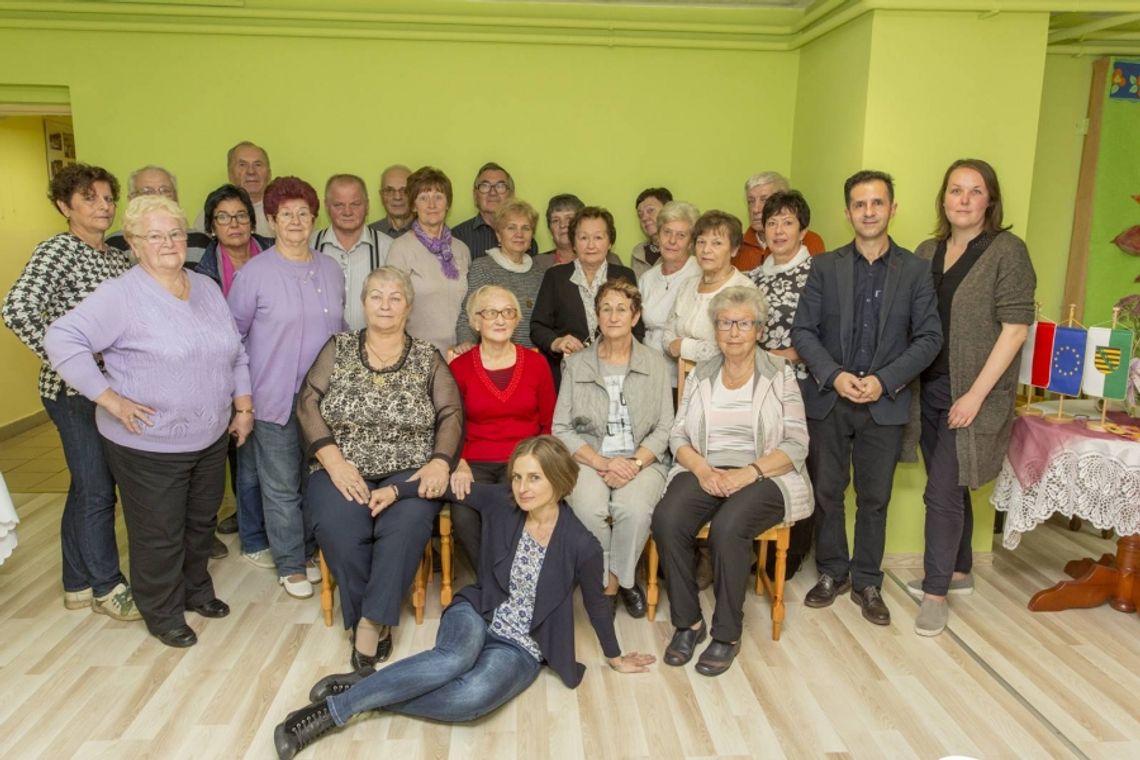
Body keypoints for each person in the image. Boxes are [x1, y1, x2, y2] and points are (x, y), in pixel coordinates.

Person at [272, 436, 655, 760]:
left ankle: (364, 688)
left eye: (534, 478)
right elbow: (439, 487)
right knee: (453, 659)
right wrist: (394, 490)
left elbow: (595, 606)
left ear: (559, 481)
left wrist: (615, 656)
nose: (522, 487)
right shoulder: (503, 502)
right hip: (479, 610)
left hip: (522, 645)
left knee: (471, 700)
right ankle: (329, 714)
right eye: (518, 476)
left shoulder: (582, 545)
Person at [44, 195, 253, 648]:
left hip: (210, 435)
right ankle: (161, 611)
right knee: (158, 532)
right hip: (149, 442)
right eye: (154, 235)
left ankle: (196, 589)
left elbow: (234, 351)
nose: (168, 243)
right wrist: (111, 399)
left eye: (175, 233)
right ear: (134, 244)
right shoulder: (122, 295)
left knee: (200, 522)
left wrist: (243, 405)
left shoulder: (205, 287)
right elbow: (62, 338)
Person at [791, 170, 942, 627]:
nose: (869, 211)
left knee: (875, 498)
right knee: (828, 492)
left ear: (892, 208)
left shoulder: (915, 271)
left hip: (885, 402)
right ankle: (832, 572)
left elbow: (929, 337)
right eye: (860, 204)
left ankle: (867, 580)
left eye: (878, 203)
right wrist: (834, 376)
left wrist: (885, 380)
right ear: (848, 212)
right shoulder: (824, 266)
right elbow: (803, 331)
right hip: (830, 399)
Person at [298, 266, 463, 670]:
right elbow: (307, 403)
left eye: (395, 297)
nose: (385, 305)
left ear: (408, 306)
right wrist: (333, 461)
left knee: (403, 528)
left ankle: (371, 623)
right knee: (340, 526)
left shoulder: (427, 356)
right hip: (341, 466)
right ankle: (373, 615)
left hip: (408, 469)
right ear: (363, 303)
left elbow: (451, 413)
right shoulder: (337, 347)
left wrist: (440, 462)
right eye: (376, 296)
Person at [652, 286, 813, 676]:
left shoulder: (780, 373)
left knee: (729, 528)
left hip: (765, 473)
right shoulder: (701, 373)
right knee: (667, 520)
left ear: (758, 329)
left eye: (743, 323)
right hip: (706, 466)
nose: (734, 332)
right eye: (725, 323)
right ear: (716, 329)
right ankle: (688, 622)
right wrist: (704, 470)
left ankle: (727, 632)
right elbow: (678, 436)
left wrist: (749, 473)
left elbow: (796, 443)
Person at [2, 163, 139, 620]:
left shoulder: (117, 256)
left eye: (107, 198)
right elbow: (16, 308)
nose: (103, 206)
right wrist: (71, 360)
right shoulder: (59, 250)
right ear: (65, 206)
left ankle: (76, 581)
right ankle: (107, 586)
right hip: (73, 394)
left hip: (112, 391)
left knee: (86, 487)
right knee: (98, 490)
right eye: (89, 198)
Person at [908, 159, 1035, 636]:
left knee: (940, 491)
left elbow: (1016, 329)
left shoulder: (1007, 251)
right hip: (928, 390)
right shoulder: (926, 250)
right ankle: (959, 571)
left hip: (975, 392)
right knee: (951, 484)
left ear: (990, 200)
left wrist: (976, 396)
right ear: (944, 198)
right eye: (955, 190)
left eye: (974, 191)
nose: (963, 199)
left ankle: (935, 593)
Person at [227, 176, 346, 599]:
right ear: (272, 220)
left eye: (303, 213)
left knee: (315, 482)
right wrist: (242, 399)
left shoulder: (330, 268)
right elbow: (233, 340)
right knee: (280, 486)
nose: (295, 220)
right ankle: (291, 563)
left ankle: (311, 552)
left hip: (325, 403)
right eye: (285, 214)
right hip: (273, 398)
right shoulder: (254, 274)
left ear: (314, 218)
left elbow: (341, 334)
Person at [553, 280, 673, 617]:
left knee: (632, 511)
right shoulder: (577, 364)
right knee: (589, 510)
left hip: (642, 460)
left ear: (635, 317)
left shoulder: (655, 364)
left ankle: (620, 581)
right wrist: (601, 462)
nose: (613, 315)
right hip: (590, 459)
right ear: (597, 315)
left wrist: (633, 463)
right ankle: (610, 582)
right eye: (606, 308)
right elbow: (560, 428)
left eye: (622, 309)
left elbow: (666, 427)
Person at [448, 285, 556, 569]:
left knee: (515, 506)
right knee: (463, 513)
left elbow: (549, 422)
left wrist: (540, 465)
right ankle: (493, 580)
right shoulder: (459, 368)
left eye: (508, 312)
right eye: (491, 312)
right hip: (474, 462)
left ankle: (512, 577)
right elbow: (449, 424)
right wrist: (458, 462)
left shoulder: (536, 363)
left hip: (524, 460)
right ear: (475, 321)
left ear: (517, 319)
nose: (500, 320)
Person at [196, 183, 274, 562]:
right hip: (225, 372)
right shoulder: (203, 270)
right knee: (240, 455)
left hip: (273, 366)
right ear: (212, 226)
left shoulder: (274, 253)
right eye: (223, 218)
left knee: (272, 455)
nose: (234, 224)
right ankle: (252, 532)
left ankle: (266, 524)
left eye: (241, 215)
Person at [748, 189, 817, 579]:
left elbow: (826, 337)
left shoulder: (819, 274)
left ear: (802, 230)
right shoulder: (752, 275)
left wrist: (780, 358)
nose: (778, 229)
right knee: (761, 463)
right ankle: (757, 551)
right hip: (757, 387)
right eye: (771, 222)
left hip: (802, 384)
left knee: (796, 465)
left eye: (787, 222)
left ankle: (788, 559)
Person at [530, 206, 642, 388]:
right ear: (573, 243)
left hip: (617, 375)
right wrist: (557, 342)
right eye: (583, 238)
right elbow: (537, 327)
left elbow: (637, 329)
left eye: (598, 237)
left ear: (610, 242)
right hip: (568, 375)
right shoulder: (555, 277)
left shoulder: (624, 276)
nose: (591, 245)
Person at [386, 166, 471, 354]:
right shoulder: (401, 248)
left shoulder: (461, 249)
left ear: (448, 203)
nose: (431, 205)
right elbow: (391, 308)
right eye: (423, 198)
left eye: (438, 197)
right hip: (418, 356)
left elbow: (470, 307)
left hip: (460, 356)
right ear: (414, 205)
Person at [663, 210, 755, 366]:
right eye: (701, 242)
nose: (706, 250)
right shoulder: (687, 285)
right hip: (685, 381)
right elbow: (667, 334)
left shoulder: (743, 290)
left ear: (734, 250)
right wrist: (675, 346)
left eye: (717, 243)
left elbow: (733, 348)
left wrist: (684, 346)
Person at [453, 199, 545, 352]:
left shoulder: (540, 273)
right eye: (511, 228)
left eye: (526, 228)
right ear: (498, 235)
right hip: (493, 358)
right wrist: (466, 343)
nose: (519, 234)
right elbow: (468, 316)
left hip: (531, 361)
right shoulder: (483, 267)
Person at [311, 174, 392, 330]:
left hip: (373, 350)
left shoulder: (388, 248)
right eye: (338, 205)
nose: (347, 212)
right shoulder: (310, 246)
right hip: (320, 350)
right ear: (326, 206)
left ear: (367, 206)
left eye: (355, 204)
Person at [637, 200, 700, 386]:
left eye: (681, 235)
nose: (672, 241)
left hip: (686, 376)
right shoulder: (647, 279)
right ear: (658, 235)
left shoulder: (699, 273)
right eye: (667, 233)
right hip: (649, 374)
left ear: (691, 241)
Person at [105, 165, 210, 266]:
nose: (157, 197)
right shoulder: (113, 244)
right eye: (147, 192)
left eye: (165, 190)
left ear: (176, 197)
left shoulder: (200, 241)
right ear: (131, 199)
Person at [736, 172, 826, 272]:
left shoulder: (811, 241)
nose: (755, 209)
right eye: (751, 201)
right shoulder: (736, 245)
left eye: (764, 200)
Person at [452, 162, 538, 259]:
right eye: (485, 186)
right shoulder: (458, 236)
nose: (493, 192)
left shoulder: (524, 240)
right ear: (475, 195)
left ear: (511, 194)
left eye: (500, 186)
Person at [193, 141, 273, 236]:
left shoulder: (283, 212)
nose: (251, 171)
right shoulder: (213, 213)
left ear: (269, 173)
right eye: (242, 165)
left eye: (258, 164)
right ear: (230, 174)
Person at [630, 187, 673, 277]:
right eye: (640, 214)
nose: (644, 218)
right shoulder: (638, 253)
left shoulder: (686, 249)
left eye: (650, 210)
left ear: (668, 210)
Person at [368, 164, 414, 238]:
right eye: (389, 190)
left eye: (405, 190)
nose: (397, 197)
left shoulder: (429, 230)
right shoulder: (369, 234)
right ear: (381, 196)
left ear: (414, 193)